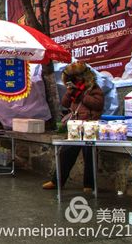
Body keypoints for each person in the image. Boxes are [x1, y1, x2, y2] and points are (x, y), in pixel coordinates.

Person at [43, 62, 104, 191]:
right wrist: (70, 92)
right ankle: (57, 181)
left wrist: (82, 95)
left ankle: (89, 185)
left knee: (90, 155)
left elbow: (98, 104)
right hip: (76, 126)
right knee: (66, 152)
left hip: (90, 125)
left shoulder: (94, 88)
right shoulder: (74, 90)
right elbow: (65, 103)